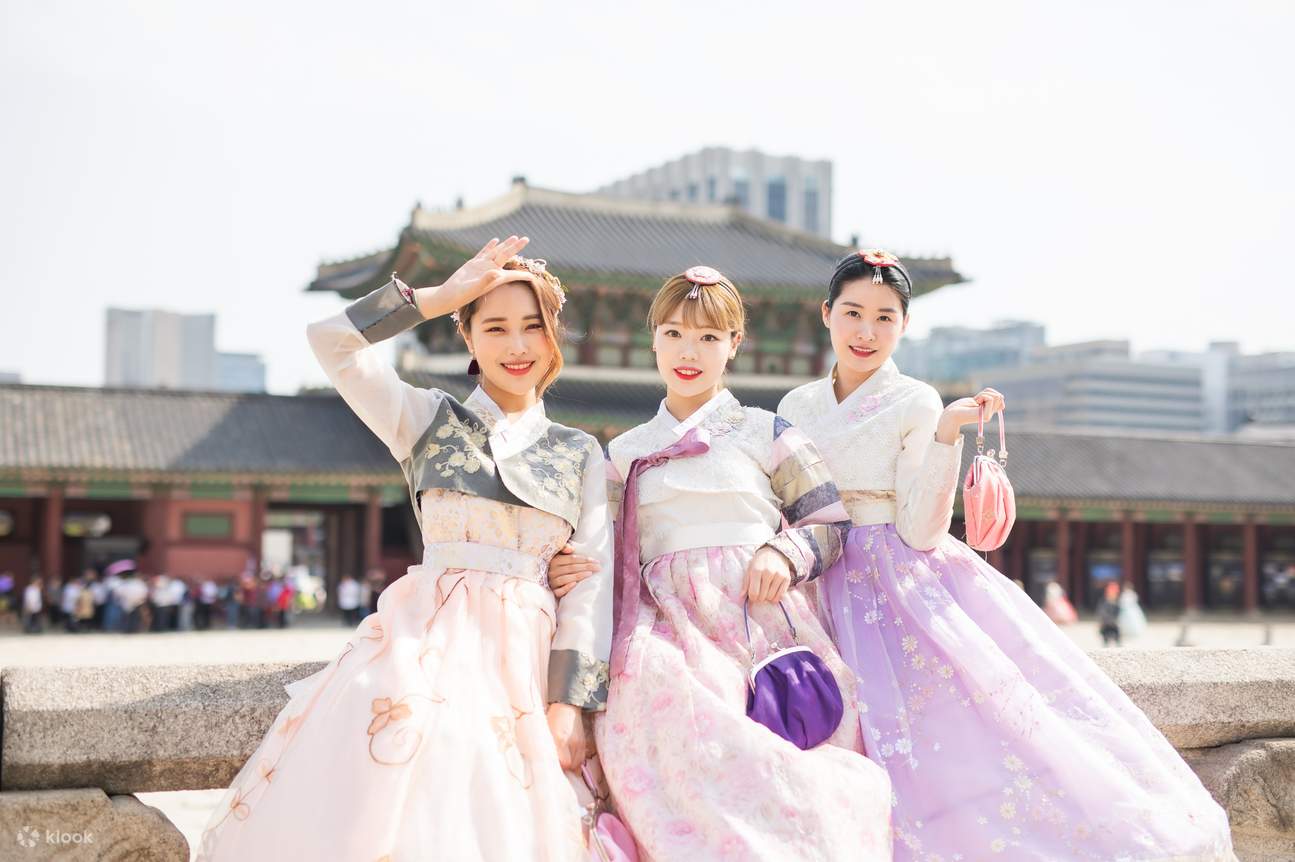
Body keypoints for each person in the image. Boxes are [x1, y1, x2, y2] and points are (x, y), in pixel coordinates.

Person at [776, 248, 1235, 860]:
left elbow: (920, 531)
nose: (866, 331)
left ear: (905, 325)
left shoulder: (916, 400)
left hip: (892, 575)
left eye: (885, 318)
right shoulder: (794, 407)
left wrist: (948, 434)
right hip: (811, 568)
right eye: (853, 313)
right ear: (826, 314)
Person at [197, 237, 613, 861]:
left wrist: (569, 703)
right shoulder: (425, 420)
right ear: (467, 337)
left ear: (555, 336)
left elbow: (592, 584)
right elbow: (330, 341)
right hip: (426, 641)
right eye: (494, 327)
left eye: (533, 326)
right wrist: (436, 297)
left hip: (531, 656)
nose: (517, 345)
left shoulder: (579, 452)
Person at [591, 267, 892, 860]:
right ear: (653, 339)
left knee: (786, 756)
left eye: (708, 337)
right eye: (675, 334)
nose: (689, 352)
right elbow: (601, 550)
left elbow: (830, 524)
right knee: (669, 717)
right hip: (667, 625)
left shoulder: (767, 431)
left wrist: (784, 551)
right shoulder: (623, 453)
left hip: (760, 620)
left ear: (734, 344)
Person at [1097, 580, 1122, 646]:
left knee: (1116, 630)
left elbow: (1118, 611)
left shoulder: (1117, 602)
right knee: (1105, 631)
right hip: (1106, 620)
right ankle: (1106, 640)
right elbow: (1102, 611)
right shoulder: (1104, 601)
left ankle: (1117, 641)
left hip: (1113, 620)